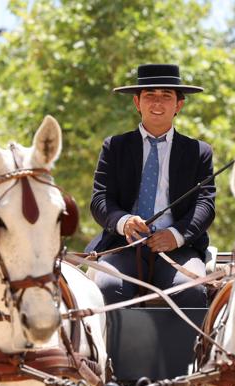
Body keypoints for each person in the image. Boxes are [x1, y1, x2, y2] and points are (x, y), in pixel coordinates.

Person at [87, 64, 215, 307]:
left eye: (166, 96)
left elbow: (205, 205)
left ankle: (187, 347)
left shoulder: (198, 152)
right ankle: (108, 347)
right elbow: (100, 199)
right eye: (149, 96)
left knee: (192, 290)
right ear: (137, 102)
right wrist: (124, 222)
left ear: (179, 105)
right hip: (123, 246)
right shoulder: (114, 147)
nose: (157, 102)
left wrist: (175, 235)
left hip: (178, 248)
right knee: (108, 287)